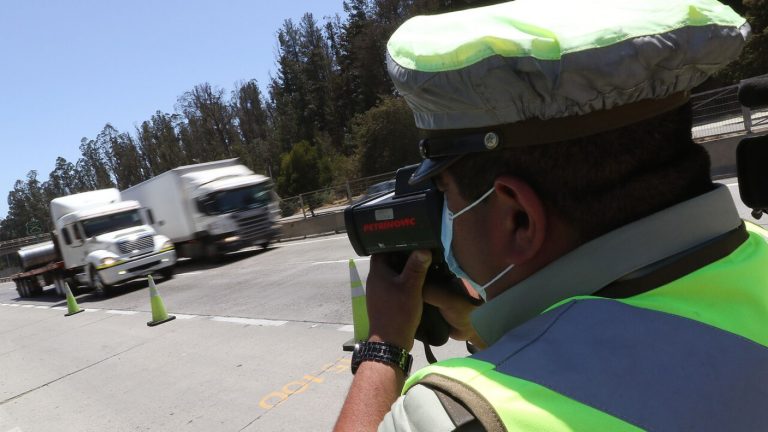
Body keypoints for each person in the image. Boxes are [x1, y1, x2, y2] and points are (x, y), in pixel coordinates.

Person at [334, 0, 766, 431]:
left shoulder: (460, 416)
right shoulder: (758, 249)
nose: (443, 214)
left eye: (445, 193)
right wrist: (489, 324)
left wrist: (385, 342)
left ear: (518, 219)